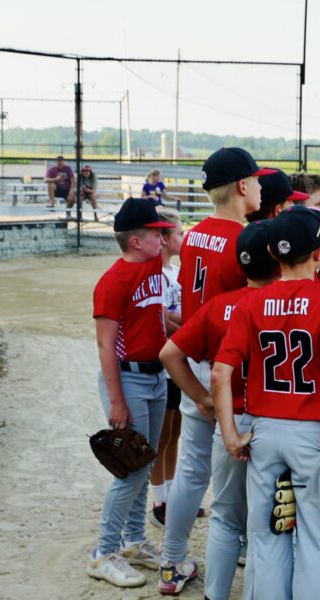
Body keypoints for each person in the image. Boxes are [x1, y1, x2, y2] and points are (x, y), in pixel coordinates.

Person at [213, 205, 320, 599]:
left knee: (268, 539)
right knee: (315, 541)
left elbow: (220, 373)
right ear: (319, 252)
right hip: (314, 434)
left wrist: (230, 435)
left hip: (263, 430)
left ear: (273, 255)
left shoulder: (250, 303)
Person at [160, 147, 273, 594]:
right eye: (257, 180)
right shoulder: (245, 239)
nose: (261, 187)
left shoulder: (193, 236)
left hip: (195, 358)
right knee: (237, 479)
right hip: (233, 373)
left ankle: (171, 563)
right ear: (243, 187)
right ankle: (242, 551)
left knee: (190, 473)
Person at [86, 198, 175, 588]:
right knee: (131, 468)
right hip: (128, 379)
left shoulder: (154, 264)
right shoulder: (112, 282)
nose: (163, 235)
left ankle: (134, 540)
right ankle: (102, 552)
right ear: (136, 241)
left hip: (157, 376)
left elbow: (176, 240)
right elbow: (106, 345)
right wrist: (116, 399)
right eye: (155, 232)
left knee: (146, 460)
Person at [147, 208, 184, 529]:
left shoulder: (174, 272)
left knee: (176, 431)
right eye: (179, 234)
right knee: (162, 434)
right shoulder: (155, 275)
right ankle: (159, 500)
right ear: (164, 240)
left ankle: (172, 496)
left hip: (180, 360)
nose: (183, 239)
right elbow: (164, 320)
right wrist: (193, 328)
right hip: (166, 359)